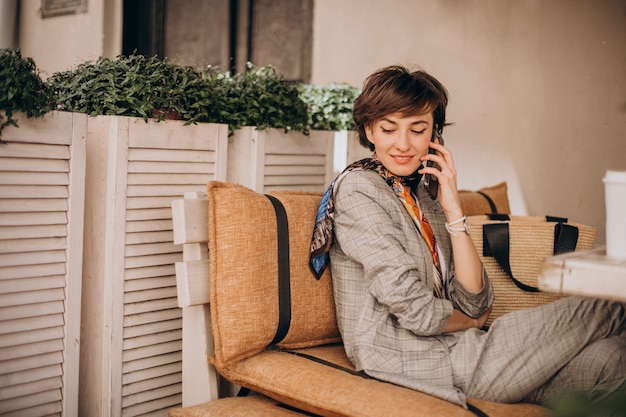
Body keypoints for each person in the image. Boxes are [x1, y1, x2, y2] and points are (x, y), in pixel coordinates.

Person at [309, 65, 626, 409]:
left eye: (418, 130)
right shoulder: (359, 189)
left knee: (612, 359)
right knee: (609, 303)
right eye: (388, 129)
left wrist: (453, 209)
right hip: (412, 359)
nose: (403, 144)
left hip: (464, 349)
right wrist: (472, 322)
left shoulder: (423, 196)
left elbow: (477, 302)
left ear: (434, 136)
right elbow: (419, 311)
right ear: (369, 130)